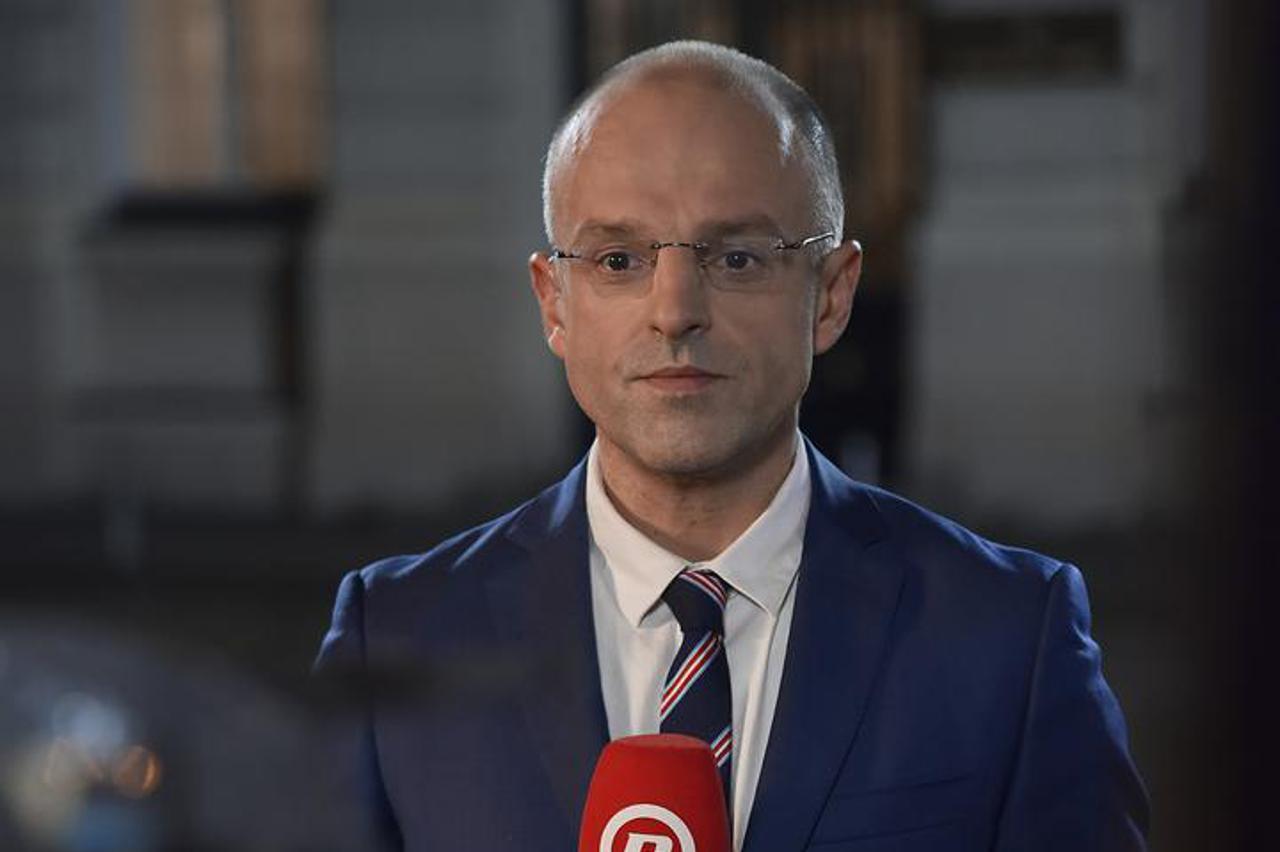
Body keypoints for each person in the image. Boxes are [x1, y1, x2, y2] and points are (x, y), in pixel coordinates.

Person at [315, 40, 1149, 852]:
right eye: (618, 259)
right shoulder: (397, 638)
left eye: (739, 258)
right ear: (554, 303)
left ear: (831, 296)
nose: (675, 310)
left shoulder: (1008, 639)